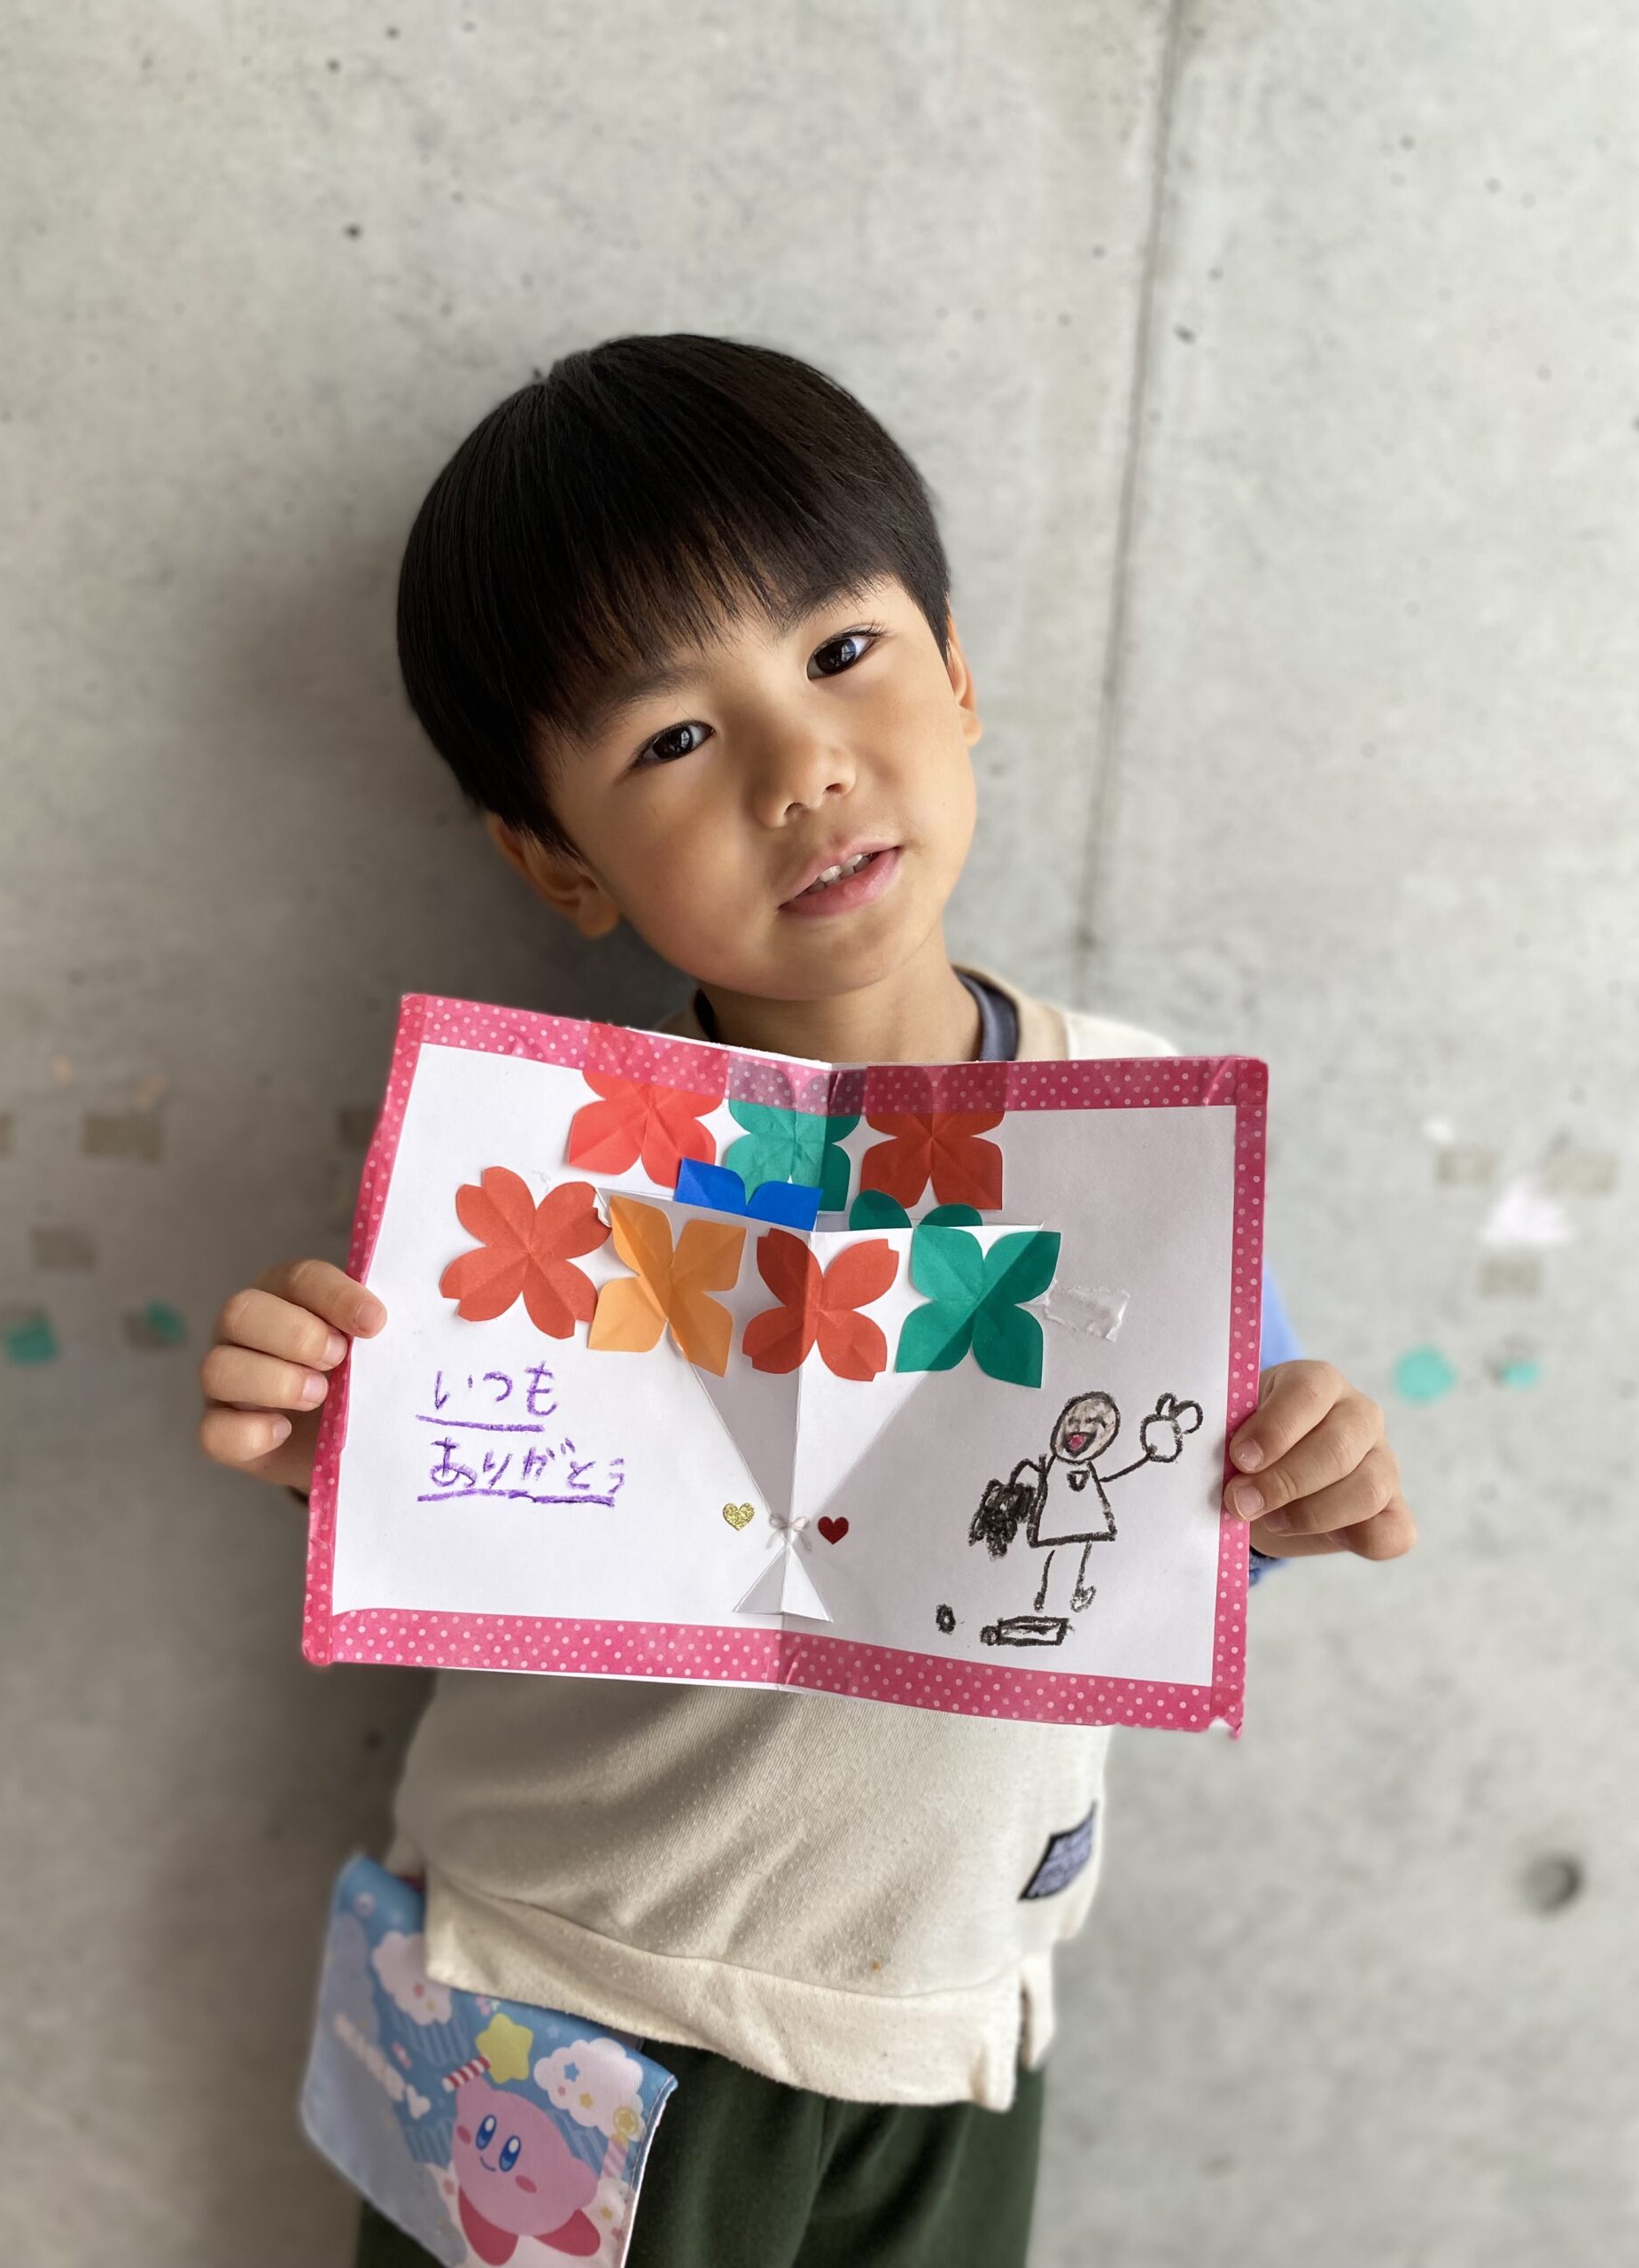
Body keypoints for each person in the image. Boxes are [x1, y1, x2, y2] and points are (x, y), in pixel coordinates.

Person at [197, 335, 1417, 2266]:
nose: (802, 769)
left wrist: (1304, 1473)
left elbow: (1179, 1505)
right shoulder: (545, 1182)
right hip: (568, 2003)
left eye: (843, 651)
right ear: (552, 858)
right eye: (673, 740)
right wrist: (326, 1446)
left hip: (948, 2021)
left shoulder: (1139, 1125)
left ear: (959, 671)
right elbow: (467, 1493)